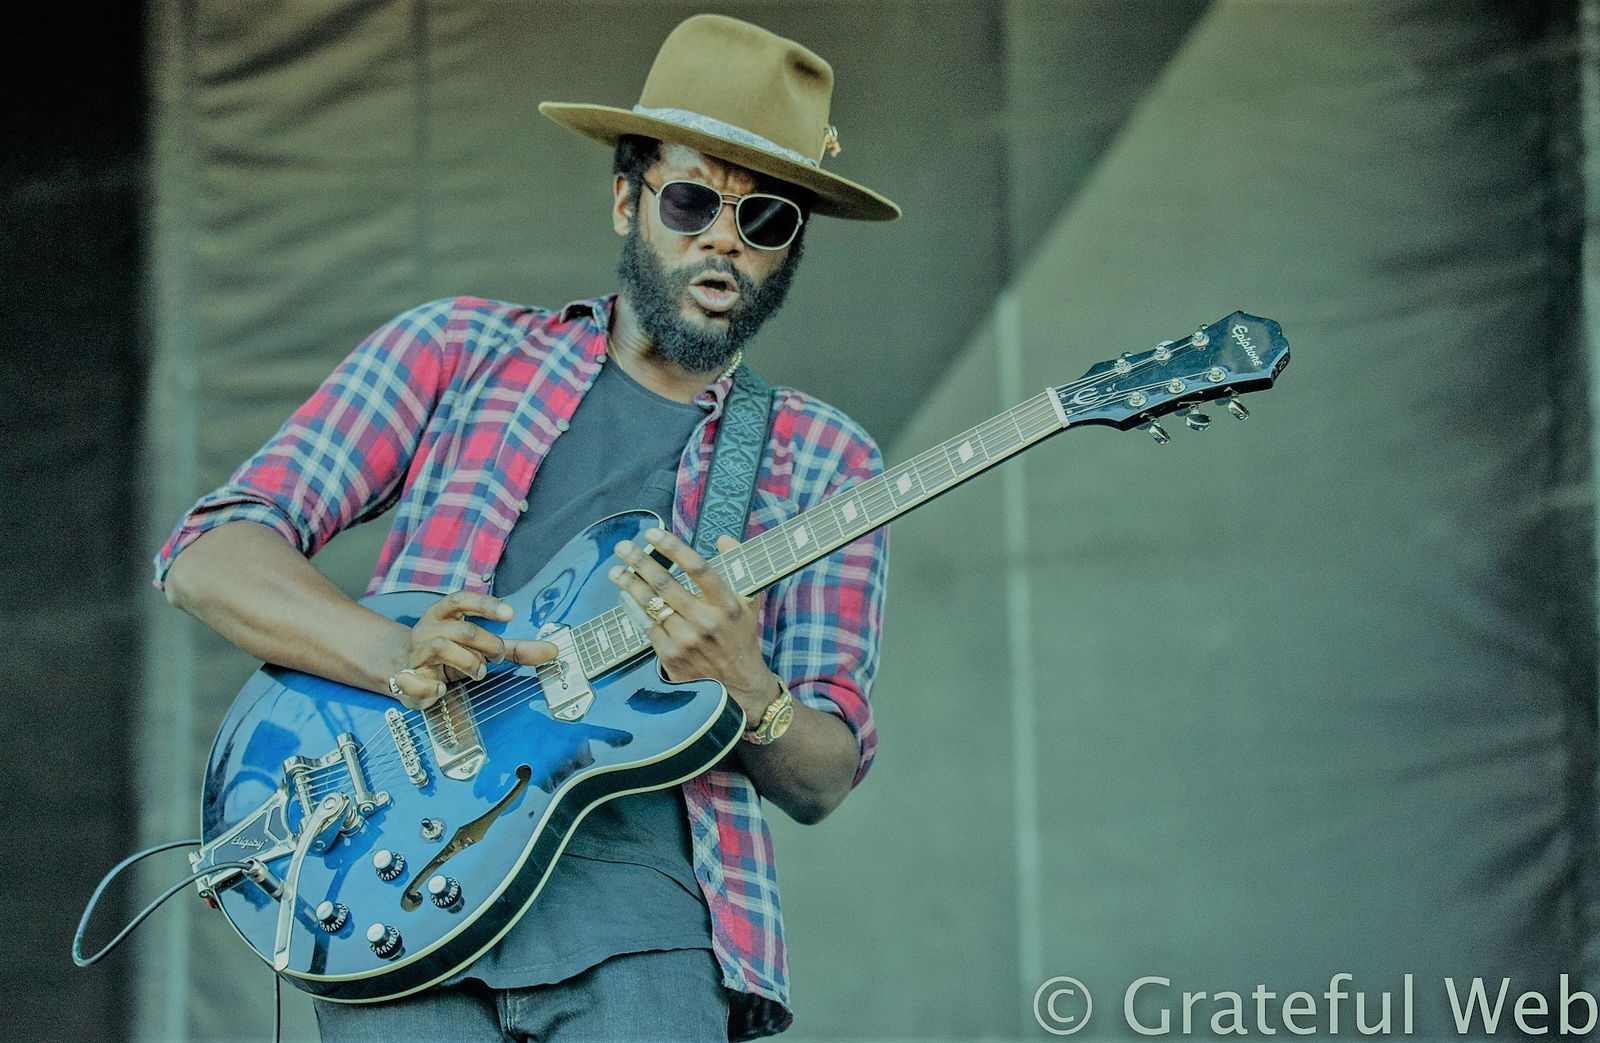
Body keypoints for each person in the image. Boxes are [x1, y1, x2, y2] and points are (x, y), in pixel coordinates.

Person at [154, 13, 896, 1042]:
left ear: (786, 252)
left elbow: (822, 772)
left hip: (647, 928)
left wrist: (749, 686)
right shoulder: (455, 347)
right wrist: (391, 651)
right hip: (396, 898)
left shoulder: (828, 461)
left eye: (766, 219)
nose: (724, 237)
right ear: (626, 198)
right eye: (692, 200)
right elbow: (208, 554)